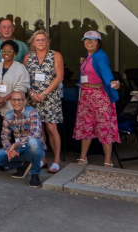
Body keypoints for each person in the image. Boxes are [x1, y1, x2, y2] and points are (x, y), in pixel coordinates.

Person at [74, 31, 121, 168]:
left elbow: (105, 70)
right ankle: (83, 157)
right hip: (85, 96)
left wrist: (112, 81)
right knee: (85, 126)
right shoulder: (88, 56)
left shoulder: (101, 56)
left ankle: (108, 160)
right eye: (87, 39)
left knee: (104, 126)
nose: (89, 42)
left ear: (98, 43)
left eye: (93, 40)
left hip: (99, 95)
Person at [23, 30, 64, 173]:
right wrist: (31, 93)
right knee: (37, 129)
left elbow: (59, 77)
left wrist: (44, 93)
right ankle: (42, 158)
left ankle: (57, 160)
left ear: (47, 41)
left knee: (51, 127)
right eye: (38, 40)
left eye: (43, 39)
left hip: (50, 96)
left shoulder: (55, 55)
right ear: (33, 42)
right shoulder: (28, 57)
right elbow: (24, 78)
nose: (40, 42)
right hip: (33, 97)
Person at [0, 91, 45, 188]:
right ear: (11, 102)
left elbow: (35, 134)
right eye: (14, 100)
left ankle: (35, 175)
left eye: (19, 100)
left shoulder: (32, 112)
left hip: (32, 148)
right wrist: (9, 149)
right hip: (18, 150)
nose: (16, 102)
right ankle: (22, 163)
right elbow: (4, 136)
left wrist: (15, 145)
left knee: (33, 142)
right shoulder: (8, 115)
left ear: (25, 101)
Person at [0, 40, 31, 150]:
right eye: (4, 50)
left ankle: (11, 160)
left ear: (15, 53)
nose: (6, 53)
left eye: (10, 51)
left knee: (11, 138)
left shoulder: (20, 68)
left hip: (12, 109)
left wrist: (4, 99)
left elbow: (22, 86)